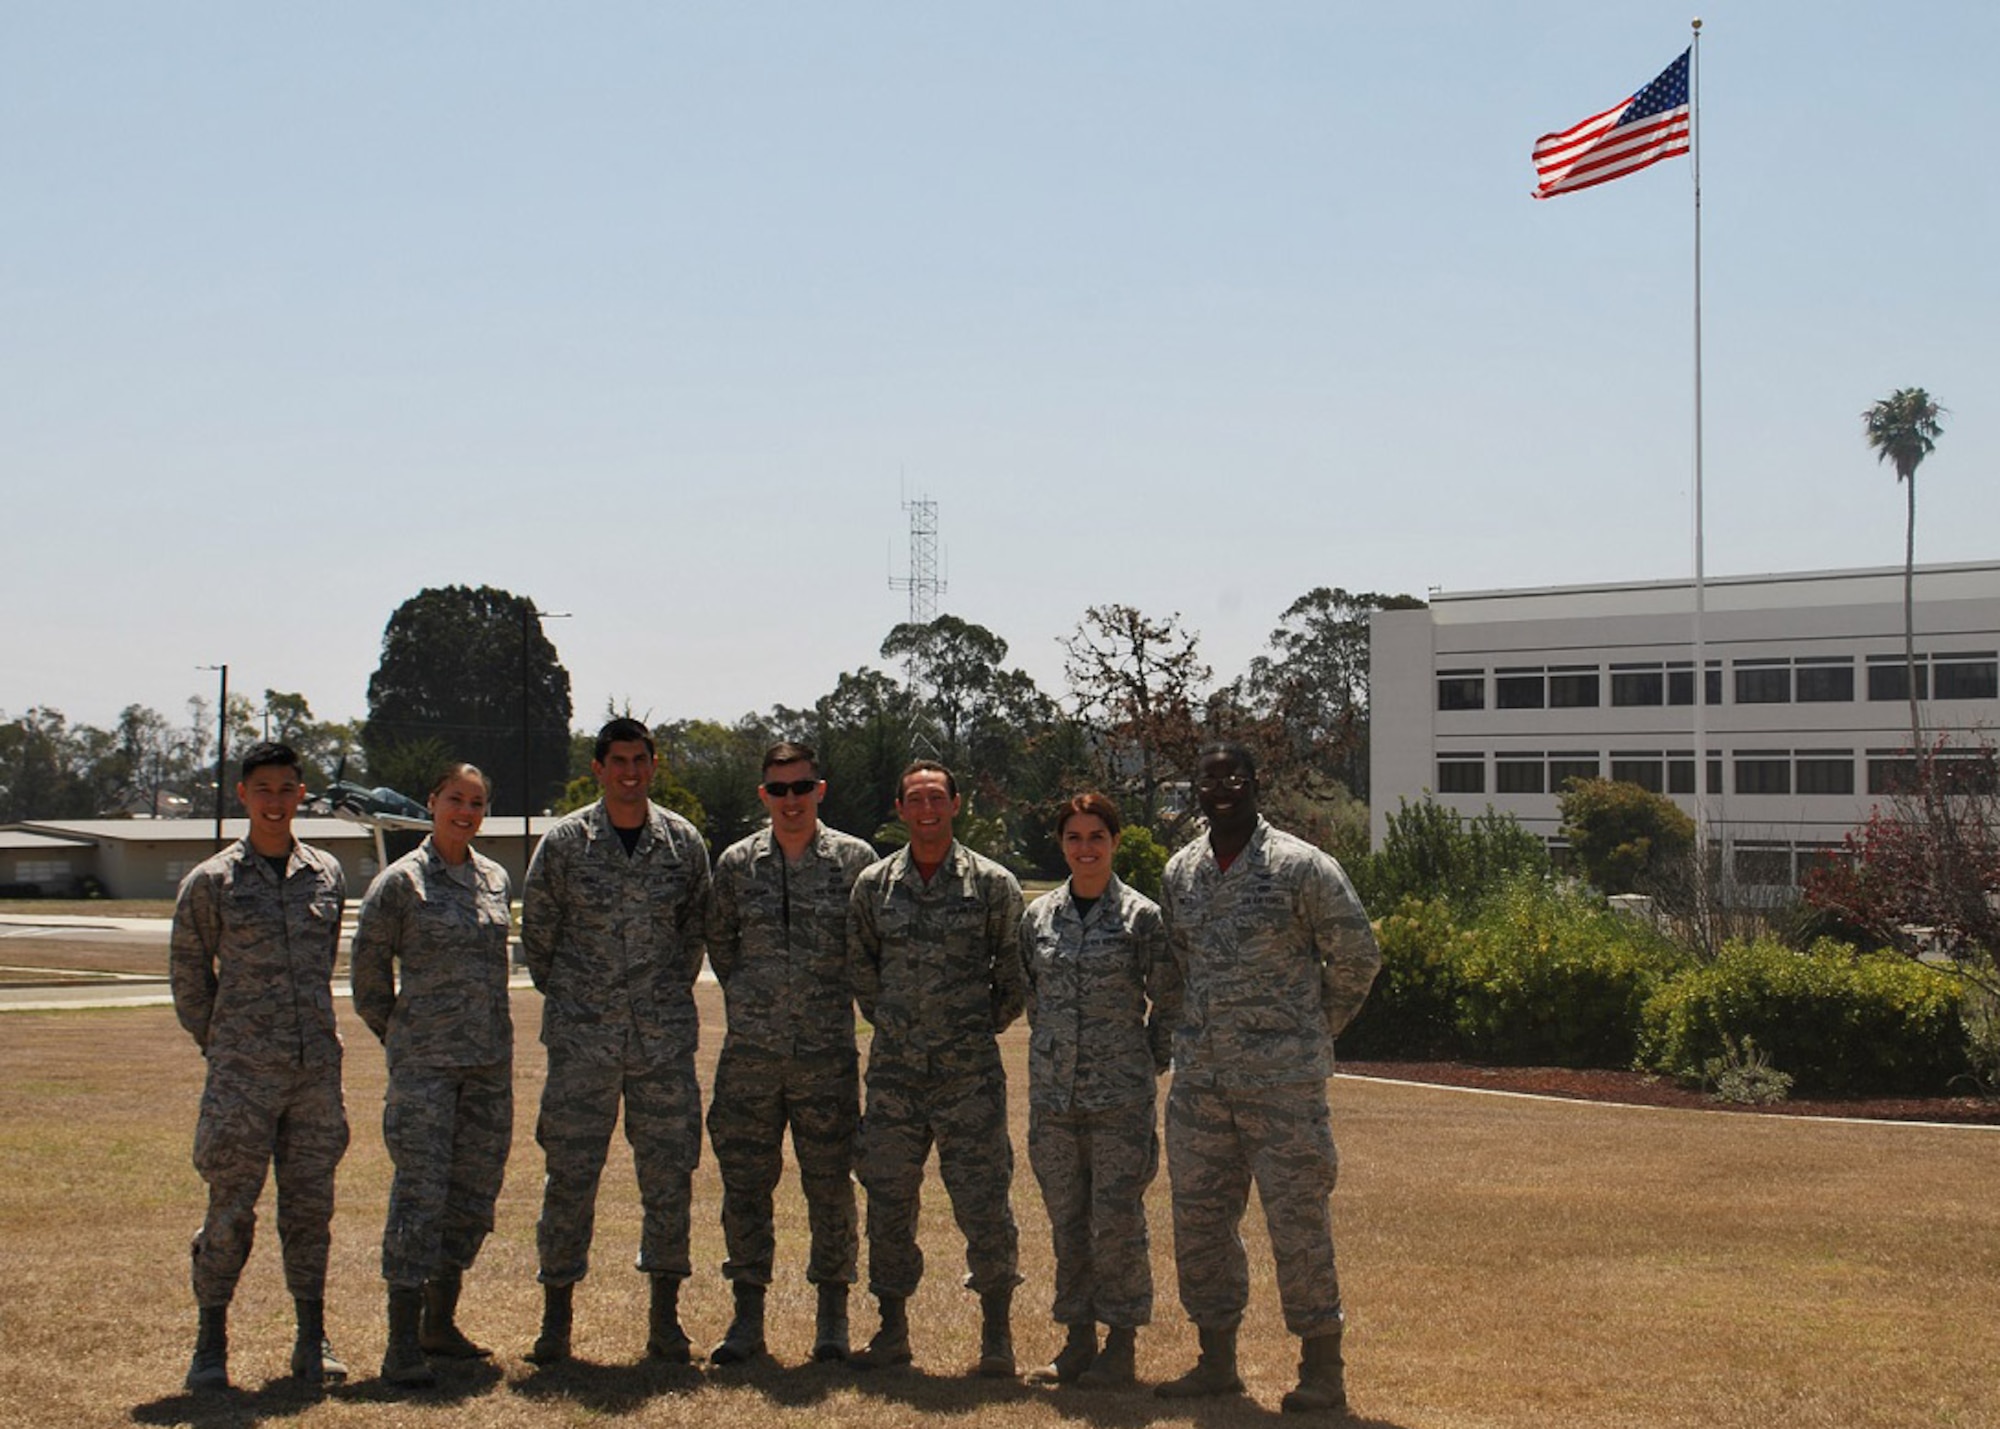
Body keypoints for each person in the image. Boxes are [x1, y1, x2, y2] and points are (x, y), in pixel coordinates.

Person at [1154, 741, 1380, 1414]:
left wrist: (1312, 1029)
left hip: (1284, 1085)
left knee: (1298, 1223)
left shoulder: (1299, 865)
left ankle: (1321, 1368)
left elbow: (1357, 956)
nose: (1222, 786)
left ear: (1255, 783)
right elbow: (1177, 966)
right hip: (1202, 1084)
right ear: (1196, 788)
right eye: (1209, 776)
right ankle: (1216, 1359)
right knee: (1199, 1222)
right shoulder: (1180, 872)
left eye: (1234, 775)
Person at [521, 717, 712, 1365]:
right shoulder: (566, 842)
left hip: (661, 1044)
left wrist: (651, 1001)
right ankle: (555, 1319)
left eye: (640, 759)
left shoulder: (683, 844)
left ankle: (665, 1320)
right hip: (583, 1043)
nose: (630, 771)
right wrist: (585, 1002)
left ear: (653, 765)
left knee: (668, 1178)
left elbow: (692, 938)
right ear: (598, 767)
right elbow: (538, 940)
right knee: (569, 1176)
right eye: (618, 760)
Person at [169, 740, 351, 1391]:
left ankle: (312, 1338)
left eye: (286, 788)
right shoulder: (211, 882)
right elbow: (190, 979)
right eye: (262, 789)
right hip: (241, 1080)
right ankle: (210, 1342)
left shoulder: (326, 874)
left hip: (314, 1080)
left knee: (310, 1211)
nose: (275, 801)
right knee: (230, 1210)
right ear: (242, 795)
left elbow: (326, 960)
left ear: (302, 793)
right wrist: (224, 1045)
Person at [846, 760, 1025, 1375]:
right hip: (894, 1075)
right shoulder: (874, 886)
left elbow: (1014, 974)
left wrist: (969, 1029)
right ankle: (892, 1330)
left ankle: (996, 1338)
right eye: (915, 800)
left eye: (937, 798)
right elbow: (863, 971)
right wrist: (901, 1025)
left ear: (955, 805)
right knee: (889, 1200)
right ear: (900, 809)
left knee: (983, 1201)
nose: (927, 809)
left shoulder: (993, 884)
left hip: (968, 1075)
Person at [704, 741, 878, 1365]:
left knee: (830, 1187)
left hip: (826, 1056)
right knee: (745, 1187)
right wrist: (759, 1003)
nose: (790, 801)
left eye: (801, 787)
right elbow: (721, 946)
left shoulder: (856, 861)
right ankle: (747, 1316)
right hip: (749, 1055)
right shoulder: (734, 864)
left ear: (819, 790)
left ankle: (832, 1316)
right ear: (763, 796)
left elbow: (867, 950)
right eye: (778, 790)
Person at [350, 763, 514, 1387]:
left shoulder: (494, 878)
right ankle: (401, 1343)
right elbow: (368, 978)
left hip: (488, 1069)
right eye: (455, 800)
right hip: (425, 1071)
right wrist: (402, 1038)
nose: (465, 812)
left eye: (476, 802)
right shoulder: (401, 883)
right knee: (419, 1199)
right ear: (432, 803)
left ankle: (439, 1324)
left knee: (472, 1197)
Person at [1018, 793, 1178, 1389]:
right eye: (1074, 838)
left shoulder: (1141, 918)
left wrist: (1143, 1062)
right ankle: (1076, 1340)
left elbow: (1168, 999)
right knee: (1067, 1221)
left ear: (1113, 842)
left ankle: (1122, 1342)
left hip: (1120, 1102)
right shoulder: (1038, 918)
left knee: (1116, 1221)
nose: (1085, 848)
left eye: (1096, 837)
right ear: (1061, 845)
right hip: (1054, 1103)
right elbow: (1032, 993)